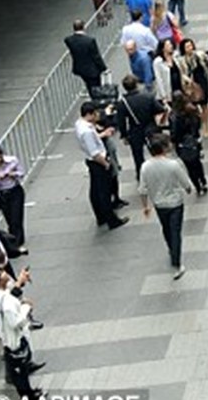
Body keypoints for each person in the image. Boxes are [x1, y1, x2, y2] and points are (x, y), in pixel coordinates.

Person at [138, 133, 192, 280]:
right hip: (175, 202)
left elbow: (142, 189)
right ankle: (177, 260)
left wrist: (145, 206)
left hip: (159, 204)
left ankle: (171, 249)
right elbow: (185, 182)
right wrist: (188, 189)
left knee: (166, 228)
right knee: (176, 231)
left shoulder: (145, 166)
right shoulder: (173, 164)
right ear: (163, 148)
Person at [0, 268, 43, 400]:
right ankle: (28, 396)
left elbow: (10, 295)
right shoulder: (5, 301)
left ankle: (28, 392)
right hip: (13, 338)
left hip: (9, 337)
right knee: (20, 369)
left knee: (19, 368)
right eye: (2, 274)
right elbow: (15, 322)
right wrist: (26, 308)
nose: (5, 274)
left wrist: (19, 282)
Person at [74, 102, 128, 230]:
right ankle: (111, 219)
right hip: (98, 162)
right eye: (95, 114)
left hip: (92, 161)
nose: (97, 116)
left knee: (95, 190)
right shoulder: (86, 131)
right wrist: (106, 164)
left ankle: (101, 216)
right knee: (104, 192)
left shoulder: (80, 124)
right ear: (89, 114)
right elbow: (95, 153)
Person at [115, 74, 165, 179]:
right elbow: (160, 109)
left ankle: (141, 175)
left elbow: (121, 121)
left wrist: (124, 135)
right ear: (137, 85)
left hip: (135, 129)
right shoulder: (148, 96)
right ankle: (161, 170)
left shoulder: (123, 103)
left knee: (138, 156)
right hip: (150, 127)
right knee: (156, 150)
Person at [0, 145, 27, 251]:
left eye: (0, 157)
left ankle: (17, 243)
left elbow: (21, 172)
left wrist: (12, 174)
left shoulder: (12, 160)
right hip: (3, 193)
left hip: (15, 190)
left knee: (16, 217)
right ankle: (13, 239)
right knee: (9, 218)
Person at [64, 20, 108, 93]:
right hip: (92, 70)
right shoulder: (90, 41)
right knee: (96, 87)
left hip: (80, 68)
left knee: (89, 85)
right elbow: (96, 56)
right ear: (83, 27)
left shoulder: (69, 40)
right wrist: (104, 68)